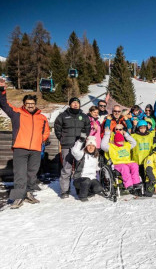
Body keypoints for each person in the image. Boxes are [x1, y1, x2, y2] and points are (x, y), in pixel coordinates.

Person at [0, 79, 50, 209]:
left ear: (35, 104)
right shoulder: (17, 113)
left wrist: (41, 141)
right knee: (20, 173)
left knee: (32, 173)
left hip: (35, 150)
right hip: (20, 149)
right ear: (24, 104)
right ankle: (18, 197)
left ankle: (28, 193)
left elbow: (46, 131)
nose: (30, 106)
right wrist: (2, 90)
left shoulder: (42, 117)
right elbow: (3, 104)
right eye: (27, 103)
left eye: (32, 103)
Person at [54, 97, 91, 199]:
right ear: (70, 104)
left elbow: (87, 128)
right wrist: (62, 139)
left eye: (77, 103)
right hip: (67, 145)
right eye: (73, 103)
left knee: (80, 168)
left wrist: (82, 139)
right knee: (67, 168)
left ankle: (80, 189)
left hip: (80, 147)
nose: (75, 104)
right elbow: (57, 129)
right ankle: (65, 191)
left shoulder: (83, 116)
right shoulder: (62, 116)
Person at [71, 136, 104, 202]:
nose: (91, 147)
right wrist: (80, 141)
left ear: (95, 147)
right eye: (89, 145)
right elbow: (74, 151)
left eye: (93, 146)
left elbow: (97, 168)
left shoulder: (96, 156)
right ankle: (82, 196)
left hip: (92, 178)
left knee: (99, 188)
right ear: (86, 146)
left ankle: (87, 192)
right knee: (86, 181)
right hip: (79, 179)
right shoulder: (81, 154)